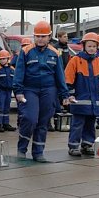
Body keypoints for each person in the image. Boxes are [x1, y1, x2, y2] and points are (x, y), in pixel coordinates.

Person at [12, 20, 69, 162]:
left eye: (43, 36)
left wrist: (64, 94)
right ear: (34, 37)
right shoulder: (26, 52)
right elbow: (19, 72)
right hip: (29, 89)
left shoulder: (55, 53)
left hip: (48, 90)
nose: (40, 39)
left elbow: (60, 75)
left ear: (49, 37)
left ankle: (38, 152)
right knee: (30, 118)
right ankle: (22, 148)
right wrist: (18, 91)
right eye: (37, 36)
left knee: (43, 121)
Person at [64, 33, 99, 156]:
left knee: (90, 124)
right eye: (89, 46)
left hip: (94, 102)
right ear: (84, 46)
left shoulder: (98, 61)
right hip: (79, 101)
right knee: (77, 125)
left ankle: (87, 144)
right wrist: (70, 94)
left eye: (94, 46)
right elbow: (68, 79)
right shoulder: (75, 60)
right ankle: (73, 146)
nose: (92, 48)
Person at [0, 49, 15, 132]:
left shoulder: (12, 69)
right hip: (0, 91)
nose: (2, 60)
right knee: (0, 107)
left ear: (8, 59)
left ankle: (6, 124)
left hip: (8, 91)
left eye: (4, 59)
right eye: (1, 59)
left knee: (7, 108)